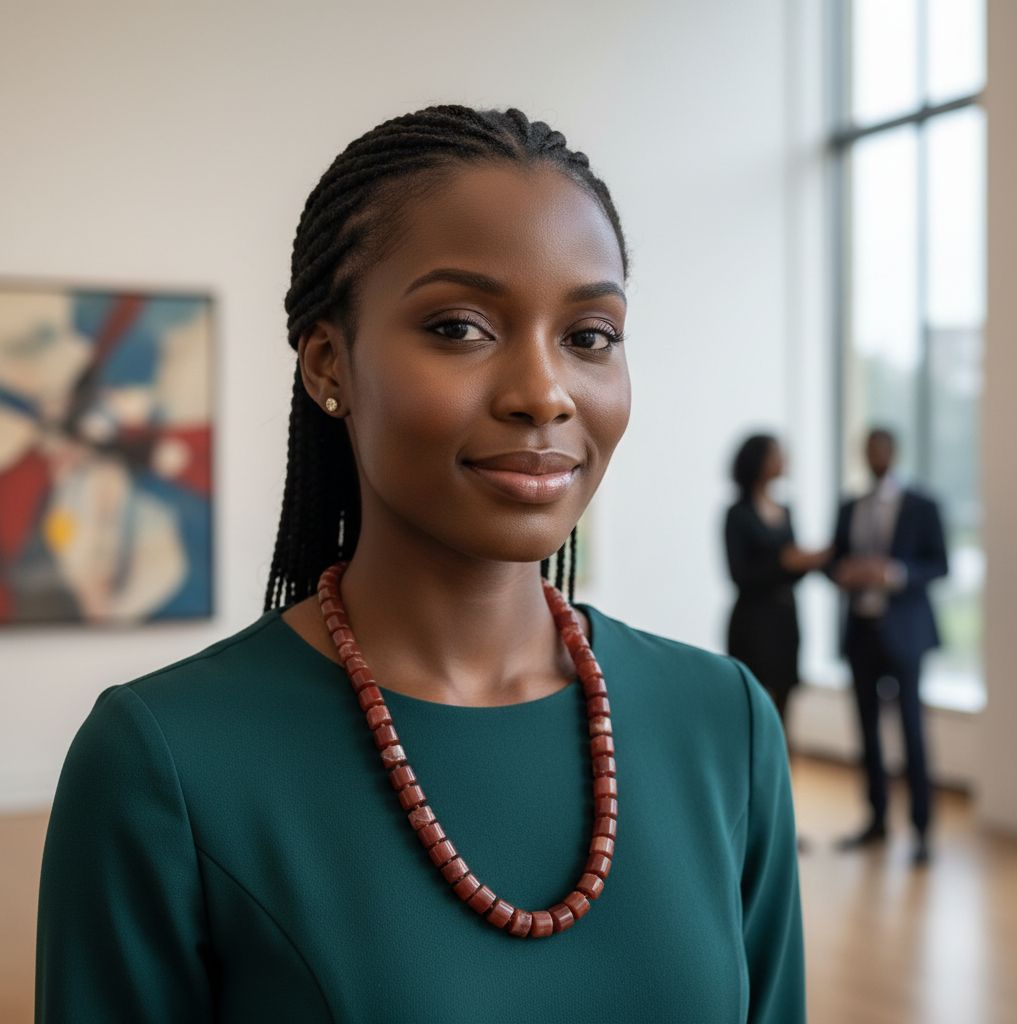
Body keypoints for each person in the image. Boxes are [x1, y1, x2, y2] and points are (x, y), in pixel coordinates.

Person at [36, 105, 805, 1023]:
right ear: (330, 364)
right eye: (459, 327)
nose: (544, 393)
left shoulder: (724, 725)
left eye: (589, 335)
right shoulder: (163, 763)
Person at [829, 427, 949, 866]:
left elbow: (940, 564)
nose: (875, 455)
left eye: (881, 448)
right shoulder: (849, 506)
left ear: (894, 453)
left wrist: (893, 574)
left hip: (906, 633)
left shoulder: (922, 505)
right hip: (861, 633)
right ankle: (877, 819)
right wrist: (845, 573)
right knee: (867, 731)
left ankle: (922, 830)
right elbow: (834, 562)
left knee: (913, 731)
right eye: (868, 449)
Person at [724, 433, 833, 733]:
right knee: (750, 704)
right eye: (775, 454)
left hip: (785, 618)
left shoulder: (786, 510)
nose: (783, 460)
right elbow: (738, 574)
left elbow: (792, 568)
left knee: (784, 704)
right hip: (753, 621)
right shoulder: (737, 514)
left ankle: (780, 776)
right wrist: (784, 562)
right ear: (757, 461)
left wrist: (808, 562)